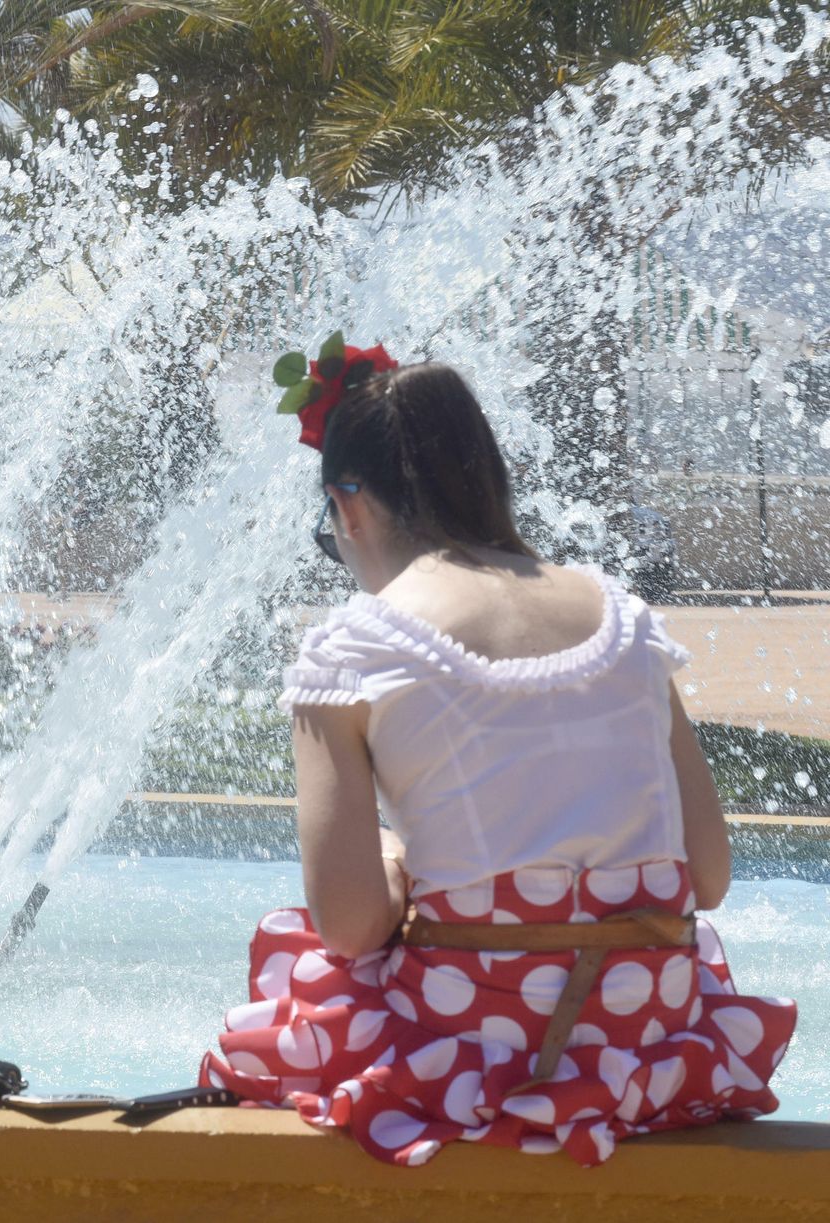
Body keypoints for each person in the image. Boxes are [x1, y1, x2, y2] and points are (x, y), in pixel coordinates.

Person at [200, 349, 795, 1166]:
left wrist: (394, 861)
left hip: (471, 1045)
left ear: (352, 505)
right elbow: (710, 875)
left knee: (299, 969)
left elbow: (349, 925)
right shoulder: (623, 621)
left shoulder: (354, 648)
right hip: (643, 1039)